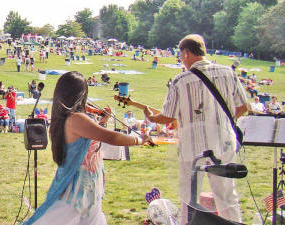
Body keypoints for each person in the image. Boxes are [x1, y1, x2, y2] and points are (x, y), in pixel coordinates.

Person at [143, 34, 248, 224]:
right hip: (222, 143)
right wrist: (223, 122)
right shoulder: (228, 73)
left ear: (186, 53)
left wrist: (151, 117)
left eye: (181, 56)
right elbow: (243, 108)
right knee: (226, 196)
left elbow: (167, 116)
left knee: (189, 198)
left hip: (192, 147)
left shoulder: (180, 80)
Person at [23, 71, 151, 225]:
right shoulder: (76, 118)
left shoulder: (69, 117)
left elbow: (89, 138)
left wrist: (102, 121)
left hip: (86, 187)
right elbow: (111, 137)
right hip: (77, 190)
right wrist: (139, 140)